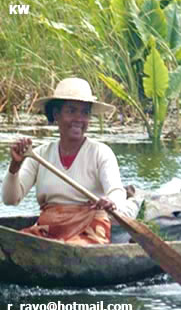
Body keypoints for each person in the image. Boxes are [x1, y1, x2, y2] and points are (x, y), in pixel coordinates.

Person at [2, 78, 142, 245]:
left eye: (85, 113)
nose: (79, 119)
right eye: (71, 111)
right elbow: (10, 200)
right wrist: (15, 166)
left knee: (74, 247)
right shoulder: (38, 155)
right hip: (49, 227)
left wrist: (111, 202)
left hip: (89, 227)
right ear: (56, 114)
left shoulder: (100, 152)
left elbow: (116, 191)